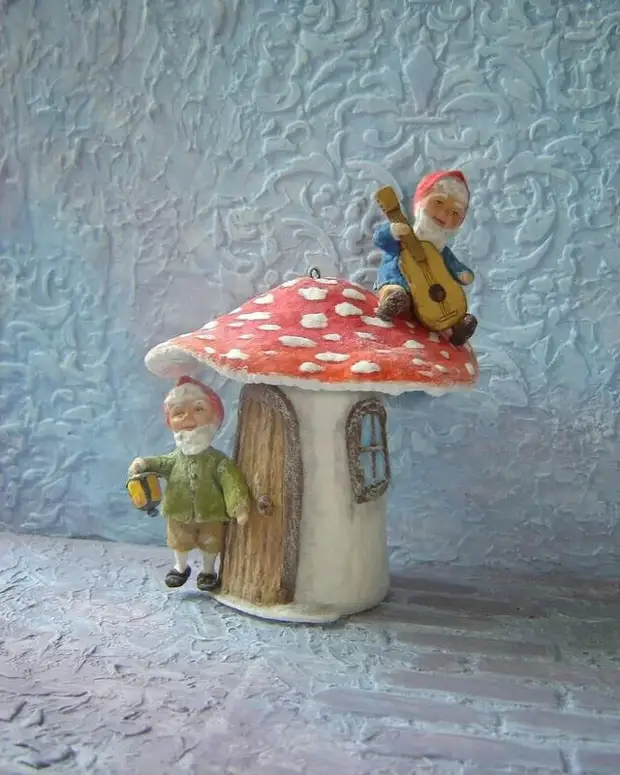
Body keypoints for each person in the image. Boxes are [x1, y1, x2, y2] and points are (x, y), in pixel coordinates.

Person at [128, 376, 251, 592]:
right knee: (179, 540)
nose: (188, 418)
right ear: (170, 421)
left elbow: (231, 482)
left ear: (214, 417)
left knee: (211, 542)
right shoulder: (174, 459)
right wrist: (143, 463)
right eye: (179, 412)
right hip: (178, 511)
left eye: (198, 409)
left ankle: (208, 571)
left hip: (211, 513)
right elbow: (160, 463)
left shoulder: (218, 461)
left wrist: (238, 506)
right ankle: (180, 567)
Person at [373, 169, 478, 345]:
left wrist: (462, 273)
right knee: (395, 289)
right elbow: (380, 240)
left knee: (450, 302)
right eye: (438, 202)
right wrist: (392, 231)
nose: (444, 214)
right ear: (421, 202)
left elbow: (453, 265)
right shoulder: (404, 236)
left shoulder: (440, 249)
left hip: (433, 304)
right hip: (399, 280)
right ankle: (394, 302)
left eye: (454, 213)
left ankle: (459, 325)